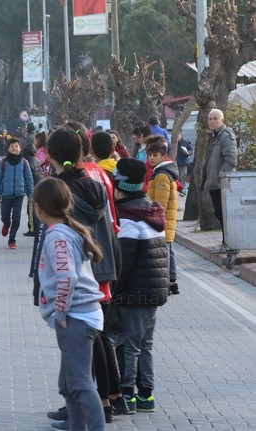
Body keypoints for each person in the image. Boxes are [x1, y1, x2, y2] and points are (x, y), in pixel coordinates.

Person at [34, 177, 106, 431]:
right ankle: (77, 426)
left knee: (81, 383)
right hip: (80, 316)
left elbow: (67, 277)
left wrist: (61, 312)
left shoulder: (58, 237)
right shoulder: (66, 230)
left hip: (77, 318)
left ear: (39, 208)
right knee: (68, 382)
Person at [112, 158, 168, 414]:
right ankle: (146, 395)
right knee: (145, 345)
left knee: (130, 346)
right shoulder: (150, 211)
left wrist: (113, 294)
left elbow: (123, 264)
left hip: (135, 294)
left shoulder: (128, 219)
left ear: (121, 187)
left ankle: (127, 395)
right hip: (153, 292)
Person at [200, 108, 238, 252]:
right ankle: (225, 242)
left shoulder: (226, 136)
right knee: (219, 213)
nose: (212, 121)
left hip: (223, 184)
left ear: (222, 120)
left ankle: (229, 243)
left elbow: (231, 160)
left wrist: (222, 177)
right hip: (214, 183)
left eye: (215, 118)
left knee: (224, 214)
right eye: (210, 119)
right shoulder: (214, 136)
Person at [146, 139, 180, 295]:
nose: (151, 158)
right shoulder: (164, 172)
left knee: (164, 251)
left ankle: (166, 282)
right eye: (149, 155)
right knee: (169, 250)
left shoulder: (161, 175)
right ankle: (172, 281)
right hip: (167, 219)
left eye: (155, 155)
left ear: (163, 156)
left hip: (163, 220)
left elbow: (160, 203)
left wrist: (154, 220)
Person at [0, 137, 34, 249]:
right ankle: (6, 224)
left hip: (19, 195)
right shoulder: (3, 162)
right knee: (5, 216)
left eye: (16, 146)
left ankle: (12, 239)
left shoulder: (24, 163)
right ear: (8, 148)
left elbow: (29, 179)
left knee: (16, 218)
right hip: (5, 195)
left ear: (20, 148)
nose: (14, 148)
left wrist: (31, 195)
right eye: (12, 146)